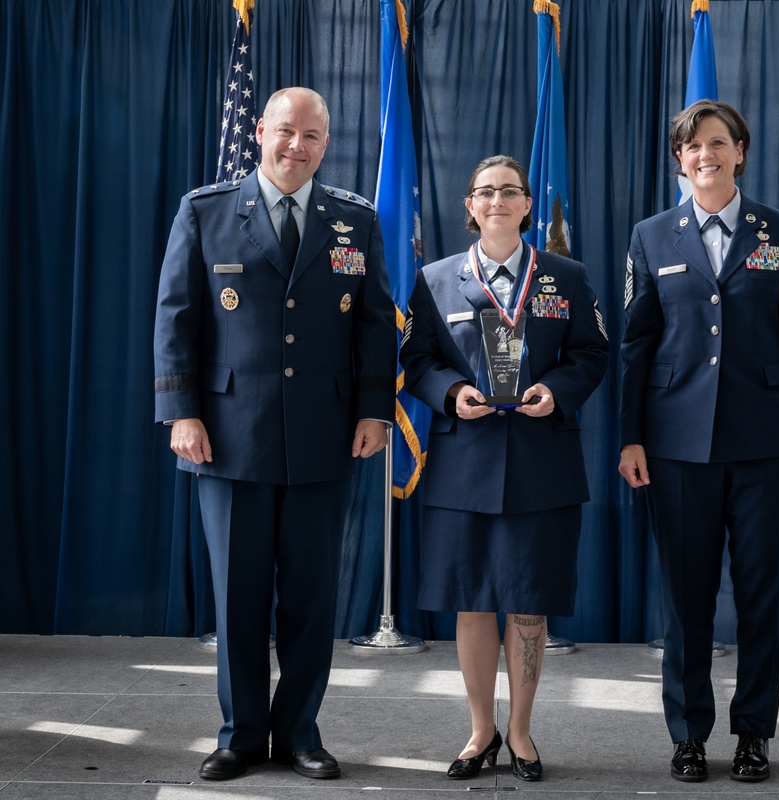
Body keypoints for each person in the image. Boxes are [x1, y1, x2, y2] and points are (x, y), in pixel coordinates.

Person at [153, 87, 396, 781]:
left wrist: (376, 411)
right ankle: (240, 734)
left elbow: (376, 323)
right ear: (259, 131)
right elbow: (177, 319)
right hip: (228, 436)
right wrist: (183, 412)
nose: (296, 147)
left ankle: (299, 734)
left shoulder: (355, 221)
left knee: (313, 599)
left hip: (325, 436)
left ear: (327, 143)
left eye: (311, 137)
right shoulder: (204, 211)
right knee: (238, 597)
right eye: (285, 131)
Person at [618, 100, 779, 783]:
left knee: (765, 595)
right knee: (686, 598)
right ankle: (688, 733)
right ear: (678, 159)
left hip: (769, 446)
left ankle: (754, 733)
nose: (704, 155)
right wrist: (631, 440)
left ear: (740, 150)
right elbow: (636, 349)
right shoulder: (652, 236)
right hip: (676, 448)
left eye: (717, 143)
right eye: (690, 147)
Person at [399, 155, 608, 783]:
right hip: (465, 462)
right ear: (469, 204)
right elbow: (417, 357)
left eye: (509, 192)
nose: (496, 201)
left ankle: (519, 732)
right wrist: (448, 394)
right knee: (471, 601)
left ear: (526, 205)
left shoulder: (566, 276)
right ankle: (480, 730)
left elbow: (593, 353)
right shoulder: (435, 279)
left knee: (527, 604)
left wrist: (558, 391)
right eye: (485, 192)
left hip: (541, 461)